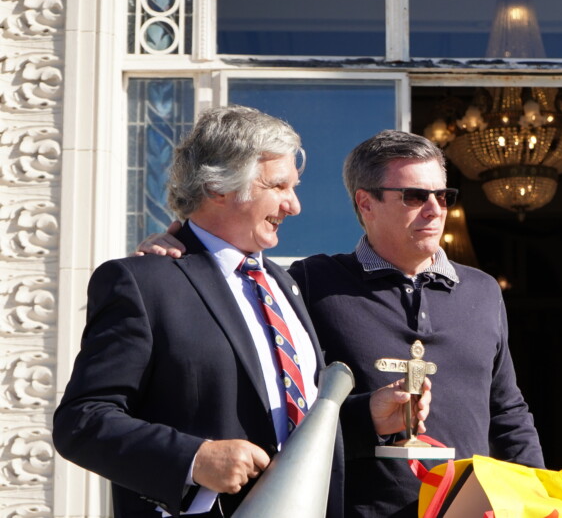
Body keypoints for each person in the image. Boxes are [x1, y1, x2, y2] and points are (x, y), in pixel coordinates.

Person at [137, 129, 544, 517]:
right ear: (366, 203)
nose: (435, 209)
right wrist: (183, 253)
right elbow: (281, 408)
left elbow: (508, 411)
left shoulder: (483, 291)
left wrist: (538, 499)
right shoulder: (308, 284)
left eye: (443, 195)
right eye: (415, 196)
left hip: (469, 511)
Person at [54, 106, 427, 518]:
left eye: (293, 187)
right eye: (278, 186)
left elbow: (288, 432)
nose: (294, 206)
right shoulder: (143, 282)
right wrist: (195, 459)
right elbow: (81, 422)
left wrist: (367, 418)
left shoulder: (285, 285)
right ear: (217, 186)